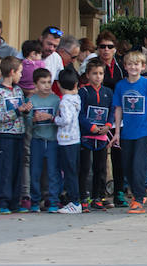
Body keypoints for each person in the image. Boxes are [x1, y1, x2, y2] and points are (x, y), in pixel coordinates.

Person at [112, 50, 147, 214]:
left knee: (138, 165)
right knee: (127, 166)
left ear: (143, 66)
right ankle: (136, 194)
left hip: (143, 132)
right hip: (126, 133)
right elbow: (118, 109)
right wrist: (117, 132)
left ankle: (139, 199)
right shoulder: (120, 86)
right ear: (125, 66)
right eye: (130, 64)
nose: (133, 67)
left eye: (137, 64)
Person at [0, 56, 31, 214]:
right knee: (6, 169)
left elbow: (22, 111)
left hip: (19, 134)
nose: (21, 75)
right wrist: (17, 111)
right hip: (5, 135)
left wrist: (26, 110)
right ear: (12, 72)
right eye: (20, 72)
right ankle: (2, 202)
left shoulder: (18, 90)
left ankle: (15, 201)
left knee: (17, 169)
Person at [95, 31, 126, 207]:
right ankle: (99, 194)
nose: (106, 50)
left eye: (110, 46)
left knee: (118, 156)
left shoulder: (121, 67)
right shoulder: (94, 65)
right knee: (99, 157)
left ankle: (119, 192)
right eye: (102, 46)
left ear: (115, 49)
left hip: (117, 117)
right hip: (98, 115)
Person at [78, 59, 114, 210]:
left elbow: (112, 111)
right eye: (94, 73)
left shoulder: (108, 92)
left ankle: (98, 196)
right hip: (87, 135)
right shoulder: (83, 92)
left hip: (102, 136)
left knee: (100, 168)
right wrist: (90, 126)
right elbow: (79, 113)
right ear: (87, 75)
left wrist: (108, 125)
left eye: (101, 73)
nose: (98, 77)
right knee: (85, 168)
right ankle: (83, 197)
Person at [27, 68, 60, 213]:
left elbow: (61, 119)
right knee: (35, 171)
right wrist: (33, 119)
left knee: (53, 171)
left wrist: (50, 118)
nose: (46, 85)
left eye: (49, 82)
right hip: (37, 140)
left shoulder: (56, 100)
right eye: (43, 82)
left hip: (53, 140)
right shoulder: (31, 100)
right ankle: (35, 200)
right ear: (35, 84)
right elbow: (26, 121)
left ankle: (53, 200)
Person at [54, 68, 81, 214]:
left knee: (69, 171)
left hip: (66, 140)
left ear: (59, 85)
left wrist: (55, 118)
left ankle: (74, 202)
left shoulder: (64, 101)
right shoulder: (77, 98)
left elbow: (65, 119)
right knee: (73, 171)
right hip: (75, 138)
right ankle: (75, 200)